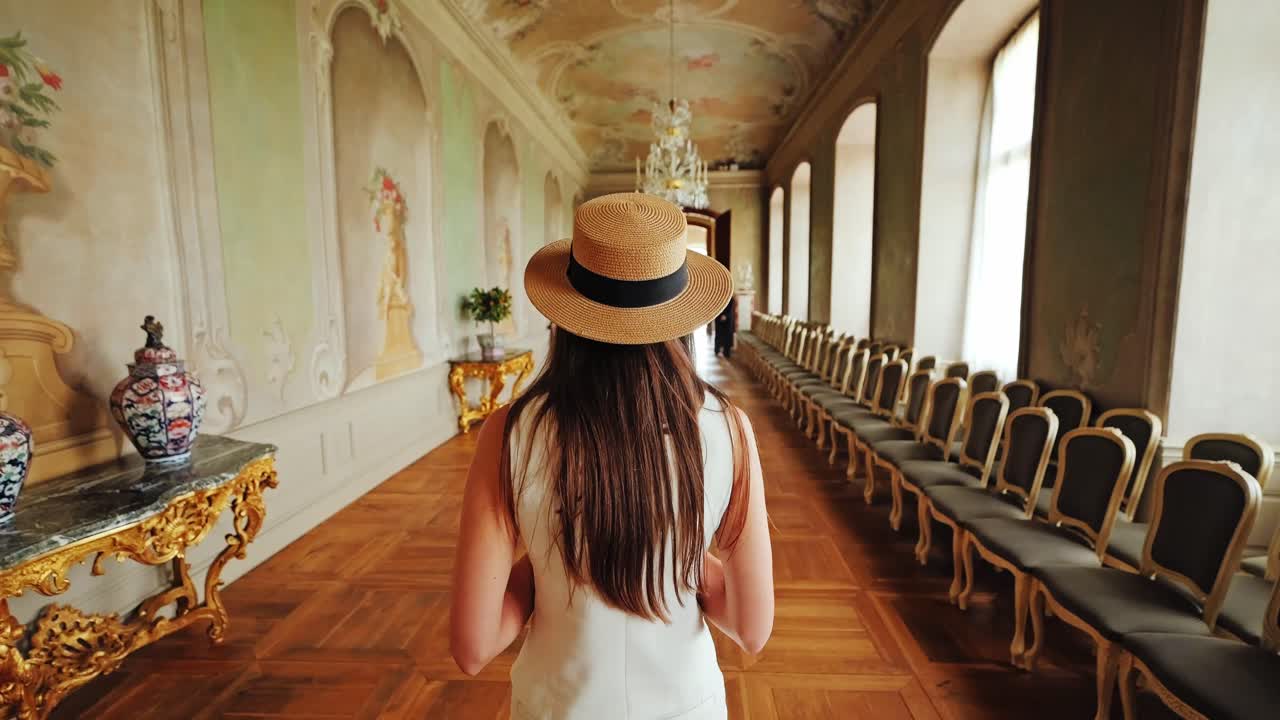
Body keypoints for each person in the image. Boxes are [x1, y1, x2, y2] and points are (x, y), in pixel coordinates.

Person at [451, 193, 774, 720]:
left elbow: (473, 647)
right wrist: (684, 560)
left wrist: (547, 564)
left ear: (565, 314)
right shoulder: (730, 430)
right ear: (680, 315)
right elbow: (752, 628)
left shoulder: (508, 433)